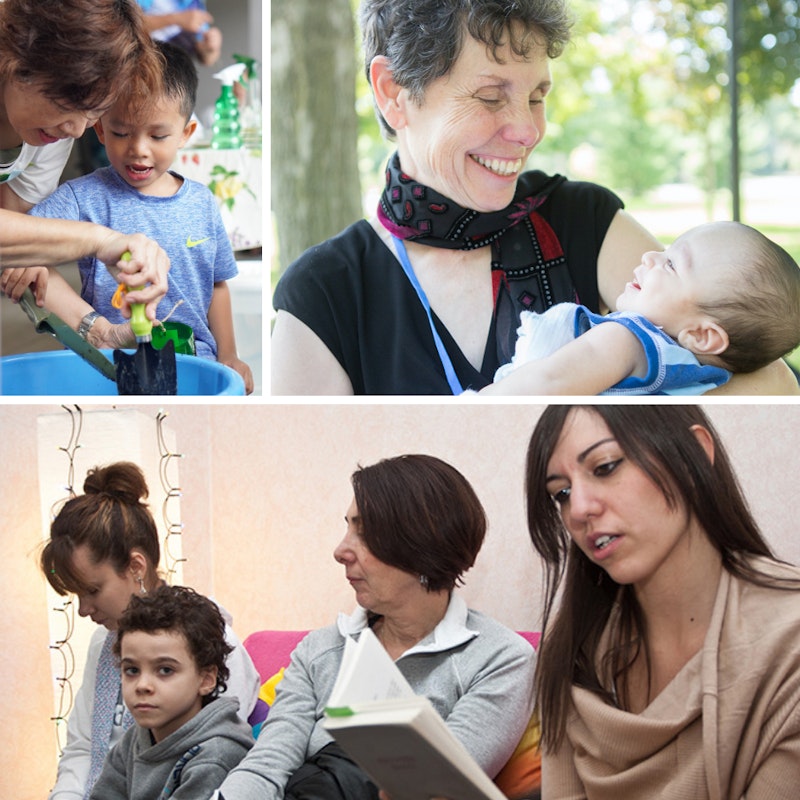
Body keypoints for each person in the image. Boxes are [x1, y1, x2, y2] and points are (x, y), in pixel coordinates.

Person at [270, 0, 797, 396]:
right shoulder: (322, 293)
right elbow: (303, 493)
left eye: (538, 96)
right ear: (393, 93)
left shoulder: (583, 222)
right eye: (490, 97)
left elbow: (774, 385)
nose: (527, 130)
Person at [216, 454, 536, 800]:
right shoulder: (319, 651)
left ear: (423, 545)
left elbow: (437, 788)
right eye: (347, 527)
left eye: (365, 533)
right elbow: (267, 764)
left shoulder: (500, 658)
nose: (340, 551)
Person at [525, 405, 800, 798]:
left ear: (693, 455)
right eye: (561, 494)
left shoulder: (787, 645)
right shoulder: (573, 652)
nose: (581, 509)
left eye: (605, 467)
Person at [28, 40, 253, 392]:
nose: (138, 149)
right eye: (120, 132)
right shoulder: (83, 196)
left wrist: (229, 354)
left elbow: (217, 284)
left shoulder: (202, 202)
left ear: (185, 134)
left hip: (198, 360)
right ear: (100, 128)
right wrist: (27, 265)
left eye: (158, 135)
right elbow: (27, 236)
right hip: (113, 363)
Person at [41, 461, 260, 800]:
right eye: (131, 670)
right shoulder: (103, 643)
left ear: (135, 567)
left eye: (93, 590)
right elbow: (82, 749)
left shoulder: (214, 644)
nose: (83, 609)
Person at [478, 221, 800, 395]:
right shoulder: (701, 376)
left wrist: (472, 407)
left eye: (672, 264)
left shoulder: (626, 339)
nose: (651, 257)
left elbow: (547, 382)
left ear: (702, 335)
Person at [0, 0, 170, 325]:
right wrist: (99, 240)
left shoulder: (52, 128)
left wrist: (98, 330)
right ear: (18, 58)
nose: (77, 130)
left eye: (94, 112)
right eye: (73, 103)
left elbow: (20, 246)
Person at [88, 585, 254, 800]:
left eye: (165, 670)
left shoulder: (216, 756)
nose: (142, 685)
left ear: (206, 679)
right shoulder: (131, 742)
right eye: (132, 670)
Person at [138, 0, 222, 67]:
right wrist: (175, 19)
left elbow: (208, 60)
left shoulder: (195, 3)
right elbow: (130, 25)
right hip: (142, 66)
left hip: (171, 76)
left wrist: (212, 48)